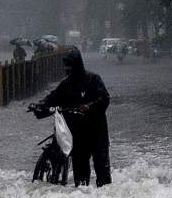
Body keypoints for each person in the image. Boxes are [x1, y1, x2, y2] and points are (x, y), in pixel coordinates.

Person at [28, 46, 112, 187]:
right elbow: (52, 99)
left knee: (102, 171)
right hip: (78, 134)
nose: (67, 70)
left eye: (70, 67)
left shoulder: (93, 79)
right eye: (66, 67)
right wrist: (39, 105)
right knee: (80, 175)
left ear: (77, 65)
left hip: (97, 132)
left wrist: (89, 107)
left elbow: (105, 98)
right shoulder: (65, 85)